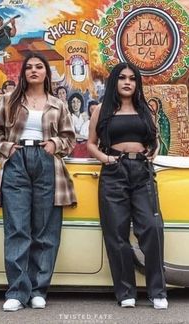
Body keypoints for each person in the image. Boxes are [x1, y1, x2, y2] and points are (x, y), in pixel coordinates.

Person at [0, 51, 76, 312]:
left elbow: (70, 139)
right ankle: (16, 291)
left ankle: (38, 289)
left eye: (39, 67)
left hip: (48, 162)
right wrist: (8, 149)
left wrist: (54, 144)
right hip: (17, 161)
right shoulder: (8, 100)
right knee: (17, 228)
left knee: (46, 230)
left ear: (47, 72)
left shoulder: (58, 104)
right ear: (23, 73)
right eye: (29, 67)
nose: (34, 70)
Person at [87, 62, 168, 309]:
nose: (127, 82)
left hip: (142, 171)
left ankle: (157, 292)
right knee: (116, 232)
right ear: (115, 81)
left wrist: (153, 150)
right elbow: (91, 143)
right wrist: (106, 159)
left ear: (137, 83)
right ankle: (126, 293)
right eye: (122, 78)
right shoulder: (101, 110)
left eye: (132, 79)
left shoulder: (144, 110)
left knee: (152, 227)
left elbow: (154, 140)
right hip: (114, 171)